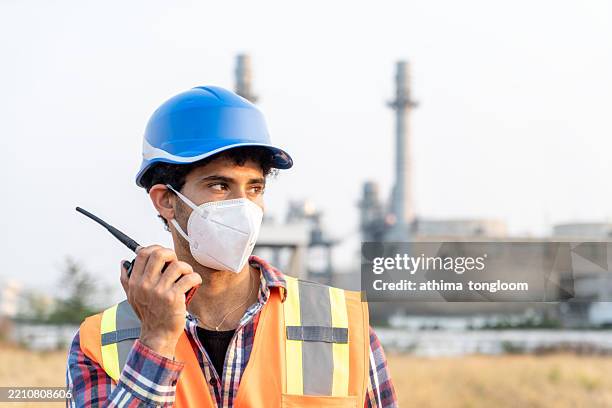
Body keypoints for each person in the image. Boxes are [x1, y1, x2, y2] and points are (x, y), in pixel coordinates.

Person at [66, 86, 397, 407]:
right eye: (220, 185)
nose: (244, 207)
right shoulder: (100, 342)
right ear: (166, 200)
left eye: (255, 188)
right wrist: (155, 342)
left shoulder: (344, 326)